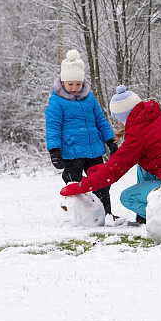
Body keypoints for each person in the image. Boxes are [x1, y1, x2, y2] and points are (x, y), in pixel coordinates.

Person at [60, 85, 161, 224]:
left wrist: (81, 186)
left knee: (128, 198)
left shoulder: (138, 135)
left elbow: (114, 171)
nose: (119, 123)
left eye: (119, 119)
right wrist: (101, 170)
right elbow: (119, 160)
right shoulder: (154, 117)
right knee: (144, 166)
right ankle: (146, 217)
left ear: (123, 117)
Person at [46, 49, 119, 217]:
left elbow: (100, 120)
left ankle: (106, 214)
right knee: (74, 184)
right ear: (63, 82)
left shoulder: (89, 98)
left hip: (93, 149)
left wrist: (110, 141)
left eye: (78, 84)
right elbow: (53, 126)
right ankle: (76, 216)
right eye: (70, 84)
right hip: (72, 151)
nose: (74, 88)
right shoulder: (56, 101)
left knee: (102, 181)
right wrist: (54, 150)